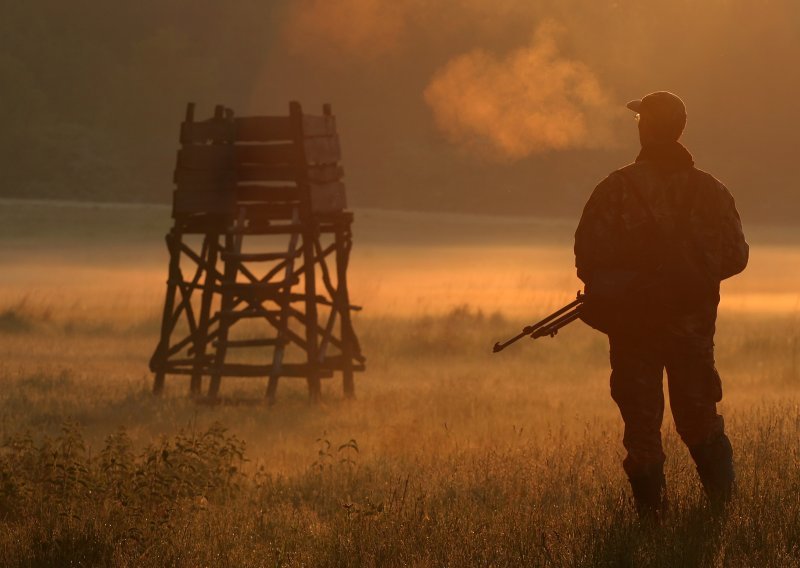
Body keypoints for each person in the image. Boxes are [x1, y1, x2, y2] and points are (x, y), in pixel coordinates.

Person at [574, 91, 749, 520]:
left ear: (645, 128)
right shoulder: (712, 190)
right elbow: (736, 256)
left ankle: (653, 527)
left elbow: (587, 259)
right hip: (692, 329)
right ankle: (724, 518)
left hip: (635, 331)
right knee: (700, 421)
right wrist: (690, 279)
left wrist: (633, 283)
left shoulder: (616, 189)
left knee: (642, 433)